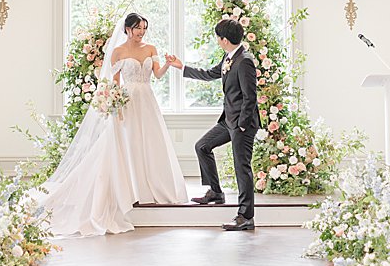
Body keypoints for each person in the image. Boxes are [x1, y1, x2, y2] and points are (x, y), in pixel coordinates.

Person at [38, 12, 187, 237]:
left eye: (144, 28)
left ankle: (153, 187)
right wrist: (114, 107)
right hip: (127, 102)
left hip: (147, 100)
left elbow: (156, 76)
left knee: (150, 142)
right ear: (127, 29)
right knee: (130, 144)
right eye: (138, 28)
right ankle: (131, 189)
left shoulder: (151, 49)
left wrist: (168, 65)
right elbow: (114, 84)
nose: (141, 32)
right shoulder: (117, 52)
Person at [167, 18, 258, 232]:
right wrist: (182, 67)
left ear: (224, 39)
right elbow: (210, 74)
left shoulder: (244, 60)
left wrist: (242, 126)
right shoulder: (229, 57)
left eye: (218, 37)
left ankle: (245, 216)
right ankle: (215, 192)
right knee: (202, 146)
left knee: (241, 168)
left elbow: (250, 97)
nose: (217, 41)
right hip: (228, 120)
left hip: (242, 124)